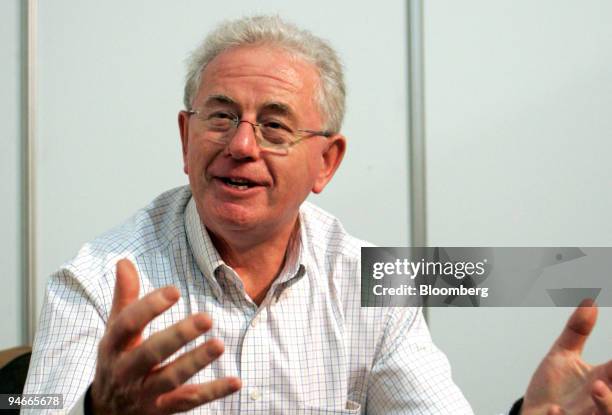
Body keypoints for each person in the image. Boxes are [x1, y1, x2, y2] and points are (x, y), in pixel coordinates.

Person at [23, 15, 611, 415]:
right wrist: (99, 412)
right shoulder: (98, 283)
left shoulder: (367, 284)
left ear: (326, 162)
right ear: (186, 137)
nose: (242, 145)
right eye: (221, 117)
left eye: (275, 126)